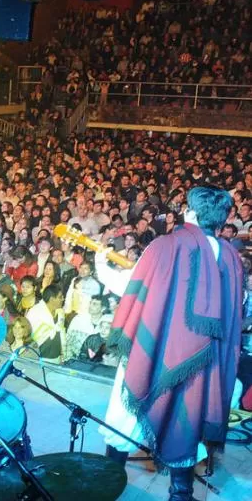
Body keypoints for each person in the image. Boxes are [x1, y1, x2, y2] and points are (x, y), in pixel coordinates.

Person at [95, 187, 243, 501]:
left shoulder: (167, 245)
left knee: (127, 412)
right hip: (204, 362)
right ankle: (180, 494)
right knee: (187, 421)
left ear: (191, 211)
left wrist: (101, 267)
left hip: (158, 349)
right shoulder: (231, 256)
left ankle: (106, 484)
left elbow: (130, 286)